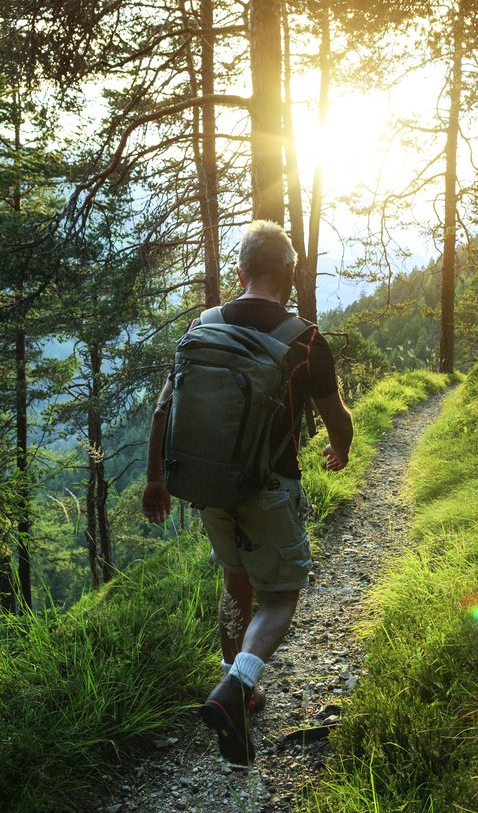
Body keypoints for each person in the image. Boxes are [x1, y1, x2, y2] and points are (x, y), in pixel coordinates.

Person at [140, 220, 354, 766]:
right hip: (270, 489)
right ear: (290, 273)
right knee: (280, 596)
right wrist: (340, 449)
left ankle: (237, 685)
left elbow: (164, 407)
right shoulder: (304, 339)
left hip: (209, 488)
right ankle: (237, 687)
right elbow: (336, 419)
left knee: (235, 579)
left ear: (240, 272)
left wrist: (155, 480)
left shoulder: (202, 326)